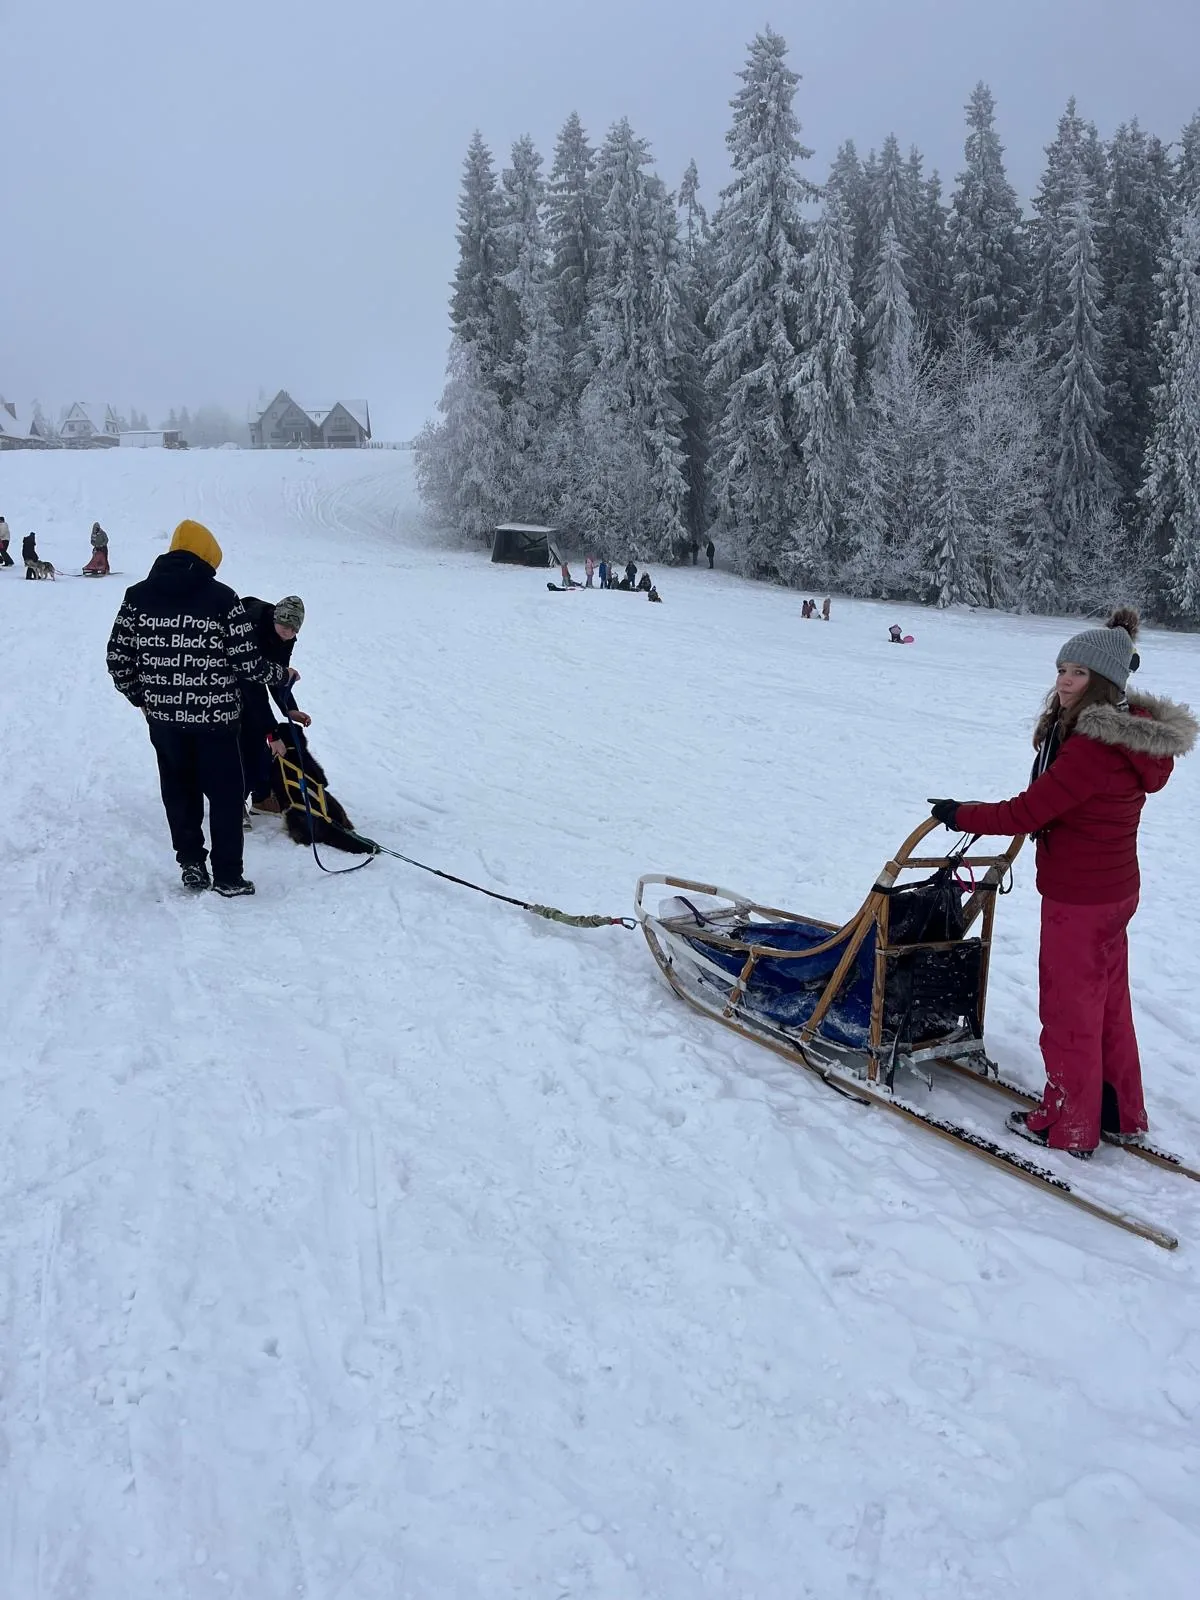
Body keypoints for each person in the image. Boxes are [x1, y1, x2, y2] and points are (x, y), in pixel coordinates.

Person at [928, 608, 1196, 1158]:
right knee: (1108, 1004)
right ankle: (1121, 1112)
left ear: (1103, 682)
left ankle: (1071, 1124)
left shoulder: (1092, 747)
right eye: (1062, 669)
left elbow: (1028, 811)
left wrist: (959, 814)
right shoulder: (1129, 736)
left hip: (1080, 896)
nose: (1063, 682)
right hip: (1115, 889)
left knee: (1070, 1009)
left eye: (1077, 672)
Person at [106, 518, 296, 897]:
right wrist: (283, 674)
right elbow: (248, 664)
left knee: (179, 790)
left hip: (164, 722)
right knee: (225, 797)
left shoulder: (136, 596)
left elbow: (117, 659)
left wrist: (142, 699)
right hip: (217, 721)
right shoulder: (223, 599)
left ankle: (191, 863)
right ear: (208, 556)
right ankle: (228, 876)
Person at [238, 594, 310, 817]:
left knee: (260, 743)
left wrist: (289, 707)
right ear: (274, 619)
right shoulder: (253, 629)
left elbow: (277, 674)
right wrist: (271, 732)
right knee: (244, 742)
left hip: (250, 685)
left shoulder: (285, 637)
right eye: (284, 625)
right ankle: (234, 803)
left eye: (294, 629)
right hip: (227, 684)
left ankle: (261, 797)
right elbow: (253, 688)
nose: (288, 632)